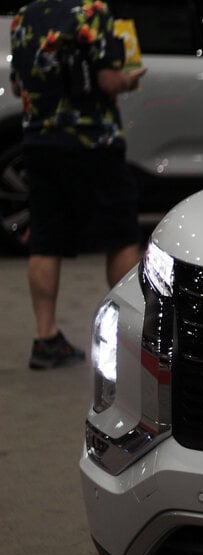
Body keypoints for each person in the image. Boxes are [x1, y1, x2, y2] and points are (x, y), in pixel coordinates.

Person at [9, 0, 147, 370]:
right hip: (92, 143)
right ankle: (126, 341)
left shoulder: (24, 16)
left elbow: (16, 83)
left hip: (39, 143)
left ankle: (46, 338)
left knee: (46, 239)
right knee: (119, 236)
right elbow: (106, 80)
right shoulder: (92, 13)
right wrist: (129, 79)